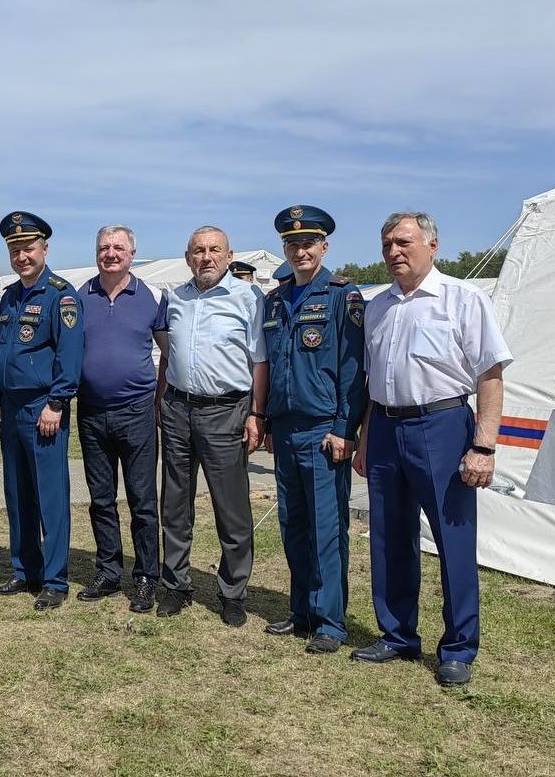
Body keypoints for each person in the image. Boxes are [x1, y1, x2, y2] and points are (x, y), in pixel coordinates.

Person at [352, 211, 511, 687]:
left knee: (452, 539)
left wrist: (483, 444)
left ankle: (459, 647)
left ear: (432, 245)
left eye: (404, 242)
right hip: (384, 426)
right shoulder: (378, 306)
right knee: (389, 536)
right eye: (387, 245)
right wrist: (364, 438)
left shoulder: (462, 299)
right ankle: (397, 634)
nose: (394, 252)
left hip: (442, 425)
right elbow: (368, 378)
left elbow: (490, 375)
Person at [261, 206, 367, 654]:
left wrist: (345, 428)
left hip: (325, 430)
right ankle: (302, 610)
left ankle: (330, 622)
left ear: (324, 246)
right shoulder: (275, 299)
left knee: (328, 527)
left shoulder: (344, 296)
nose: (300, 250)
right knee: (294, 524)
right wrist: (264, 419)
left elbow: (353, 369)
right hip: (285, 429)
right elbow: (269, 364)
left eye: (308, 243)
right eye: (292, 243)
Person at [157, 226, 267, 626]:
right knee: (175, 503)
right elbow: (168, 357)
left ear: (228, 254)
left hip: (226, 411)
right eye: (198, 251)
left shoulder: (248, 298)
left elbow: (260, 361)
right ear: (188, 257)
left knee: (231, 507)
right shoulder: (176, 297)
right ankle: (176, 584)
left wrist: (257, 414)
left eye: (214, 250)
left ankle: (232, 591)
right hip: (178, 409)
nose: (206, 257)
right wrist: (160, 402)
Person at [0, 211, 85, 611]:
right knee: (17, 493)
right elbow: (1, 353)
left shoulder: (61, 295)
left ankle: (55, 580)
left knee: (50, 496)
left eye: (28, 247)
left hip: (44, 408)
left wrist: (57, 403)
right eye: (14, 249)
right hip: (10, 409)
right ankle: (24, 570)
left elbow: (70, 354)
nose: (21, 255)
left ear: (44, 248)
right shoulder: (9, 296)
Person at [75, 225, 168, 612]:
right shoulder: (81, 296)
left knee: (143, 501)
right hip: (92, 414)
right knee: (101, 500)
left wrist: (159, 400)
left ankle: (146, 576)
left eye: (118, 247)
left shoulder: (151, 297)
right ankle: (108, 571)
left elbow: (169, 352)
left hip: (136, 414)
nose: (110, 253)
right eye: (104, 247)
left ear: (132, 253)